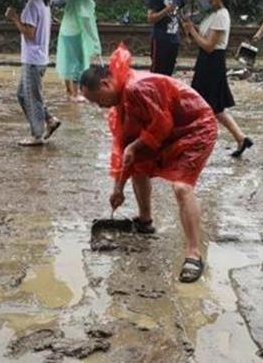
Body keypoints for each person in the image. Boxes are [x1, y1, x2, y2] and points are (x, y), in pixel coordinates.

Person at [80, 44, 218, 283]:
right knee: (138, 165)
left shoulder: (136, 88)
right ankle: (145, 221)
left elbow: (162, 125)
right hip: (171, 129)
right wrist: (118, 188)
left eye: (96, 100)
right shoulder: (120, 102)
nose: (99, 106)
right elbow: (124, 147)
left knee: (182, 187)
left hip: (195, 127)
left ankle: (194, 253)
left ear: (105, 84)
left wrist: (135, 147)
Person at [182, 0, 254, 159]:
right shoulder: (213, 15)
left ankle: (197, 141)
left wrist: (192, 30)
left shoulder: (222, 15)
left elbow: (209, 46)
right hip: (206, 62)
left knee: (201, 104)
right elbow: (202, 37)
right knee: (215, 107)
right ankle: (241, 138)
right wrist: (190, 27)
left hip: (212, 62)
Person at [5, 0, 61, 147]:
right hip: (38, 57)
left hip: (33, 59)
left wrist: (14, 18)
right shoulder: (43, 3)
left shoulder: (33, 4)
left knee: (32, 98)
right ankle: (49, 119)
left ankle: (37, 135)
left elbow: (29, 33)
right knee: (23, 94)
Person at [56, 0, 107, 102]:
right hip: (75, 32)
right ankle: (75, 94)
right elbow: (86, 20)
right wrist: (95, 41)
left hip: (65, 30)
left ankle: (69, 90)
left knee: (68, 60)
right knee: (77, 62)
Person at [147, 0, 185, 76]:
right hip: (160, 38)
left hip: (174, 38)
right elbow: (150, 18)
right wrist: (166, 10)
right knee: (157, 71)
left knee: (169, 71)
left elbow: (180, 14)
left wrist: (186, 31)